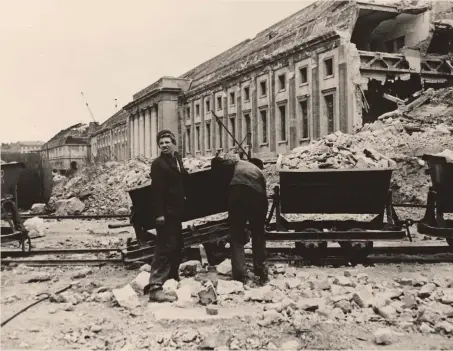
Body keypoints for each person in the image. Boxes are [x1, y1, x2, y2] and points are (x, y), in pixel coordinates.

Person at [211, 154, 269, 285]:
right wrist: (261, 222)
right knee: (258, 235)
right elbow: (264, 197)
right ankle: (261, 272)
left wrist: (216, 158)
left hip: (237, 193)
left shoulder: (236, 164)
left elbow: (218, 164)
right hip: (257, 197)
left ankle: (240, 275)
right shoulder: (259, 172)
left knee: (236, 234)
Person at [146, 129, 188, 302]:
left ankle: (172, 278)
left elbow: (181, 179)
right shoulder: (158, 164)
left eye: (167, 142)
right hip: (166, 213)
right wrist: (159, 214)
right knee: (164, 247)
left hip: (176, 211)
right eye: (161, 143)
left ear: (173, 143)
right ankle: (155, 287)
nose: (164, 145)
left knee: (177, 245)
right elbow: (157, 191)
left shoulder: (176, 159)